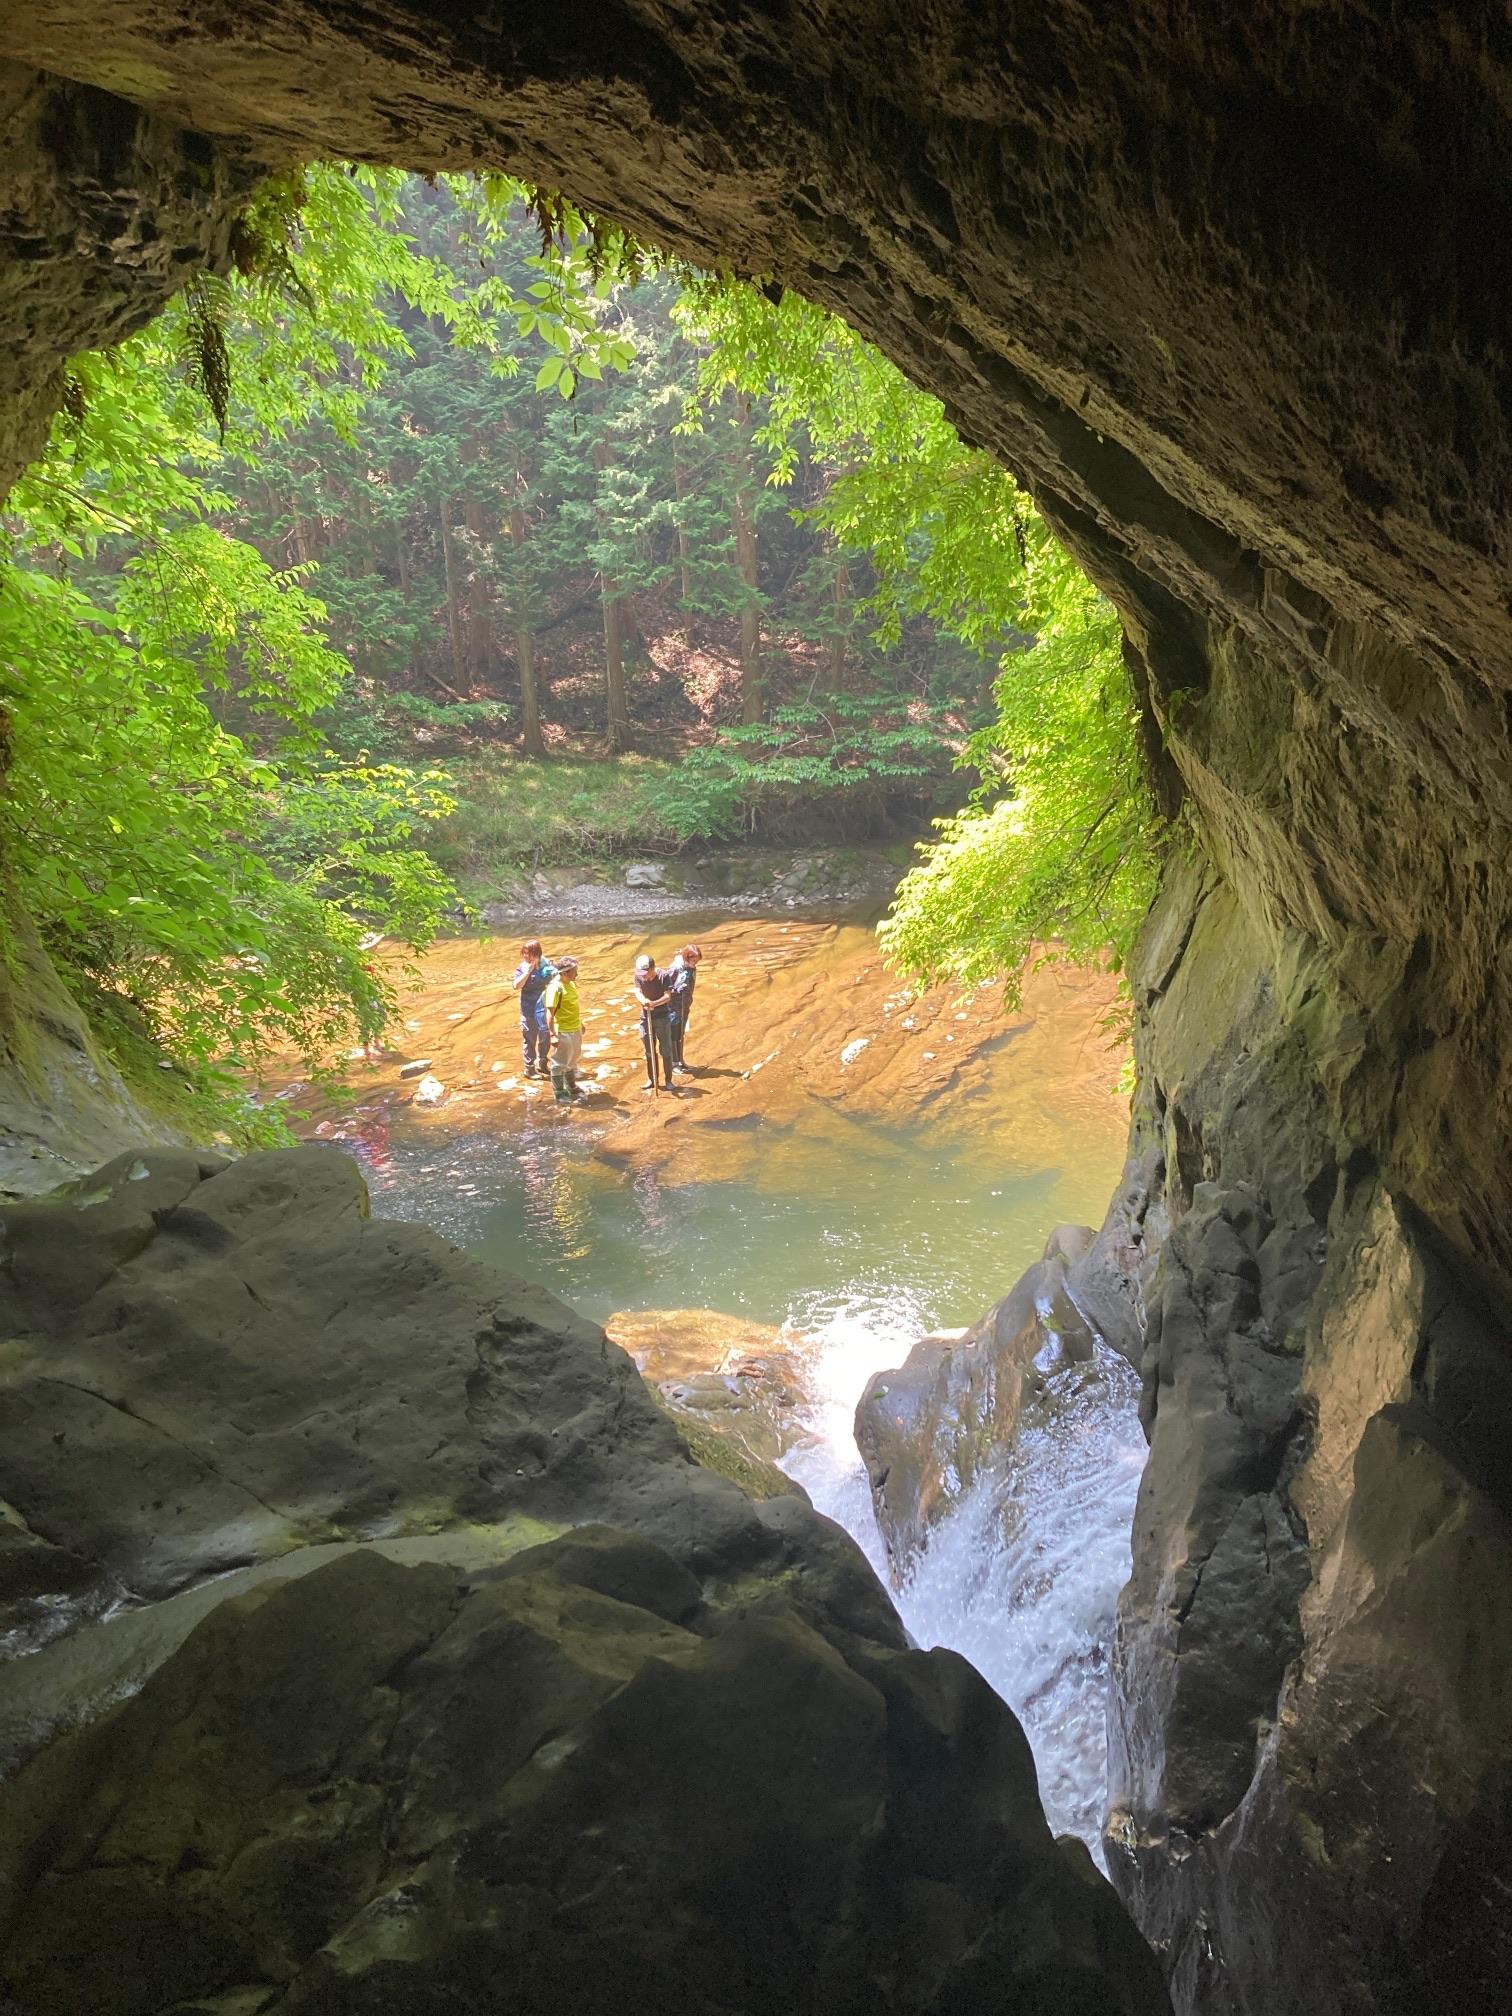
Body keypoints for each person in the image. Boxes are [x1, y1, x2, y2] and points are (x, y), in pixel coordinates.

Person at [632, 952, 678, 1094]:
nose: (644, 976)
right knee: (649, 1051)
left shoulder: (664, 976)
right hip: (646, 1018)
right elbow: (637, 991)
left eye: (646, 973)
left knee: (665, 1050)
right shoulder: (639, 977)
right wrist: (643, 1001)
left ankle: (669, 1080)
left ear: (652, 968)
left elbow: (667, 996)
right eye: (642, 974)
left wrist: (654, 1004)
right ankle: (652, 1080)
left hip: (662, 1018)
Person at [511, 938, 556, 1079]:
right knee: (529, 1039)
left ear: (537, 954)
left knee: (545, 1037)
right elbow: (516, 986)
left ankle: (543, 1064)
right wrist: (529, 971)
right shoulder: (522, 968)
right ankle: (529, 1069)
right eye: (524, 953)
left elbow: (557, 981)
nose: (526, 956)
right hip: (528, 1009)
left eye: (529, 954)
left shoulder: (546, 966)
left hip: (544, 1009)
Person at [543, 955, 583, 1103]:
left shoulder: (571, 984)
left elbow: (573, 1005)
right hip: (563, 1030)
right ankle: (559, 1092)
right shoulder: (555, 988)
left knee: (573, 1059)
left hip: (575, 1027)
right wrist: (552, 1034)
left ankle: (571, 1086)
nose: (577, 974)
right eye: (574, 971)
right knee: (560, 1063)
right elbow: (549, 1013)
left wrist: (581, 1023)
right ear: (564, 973)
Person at [667, 942, 702, 1074]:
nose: (695, 964)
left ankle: (681, 1060)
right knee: (673, 1035)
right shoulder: (675, 968)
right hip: (673, 1007)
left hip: (685, 1005)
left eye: (697, 961)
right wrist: (676, 989)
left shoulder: (692, 968)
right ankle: (673, 1063)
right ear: (686, 957)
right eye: (693, 961)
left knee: (681, 1034)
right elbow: (666, 987)